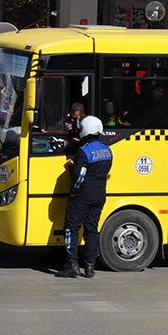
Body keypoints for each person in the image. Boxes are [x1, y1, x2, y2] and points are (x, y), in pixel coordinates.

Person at [56, 115, 112, 278]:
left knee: (71, 228)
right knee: (91, 229)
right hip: (99, 194)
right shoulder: (107, 149)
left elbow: (80, 176)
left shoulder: (83, 151)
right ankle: (89, 267)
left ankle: (71, 264)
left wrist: (73, 187)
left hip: (82, 195)